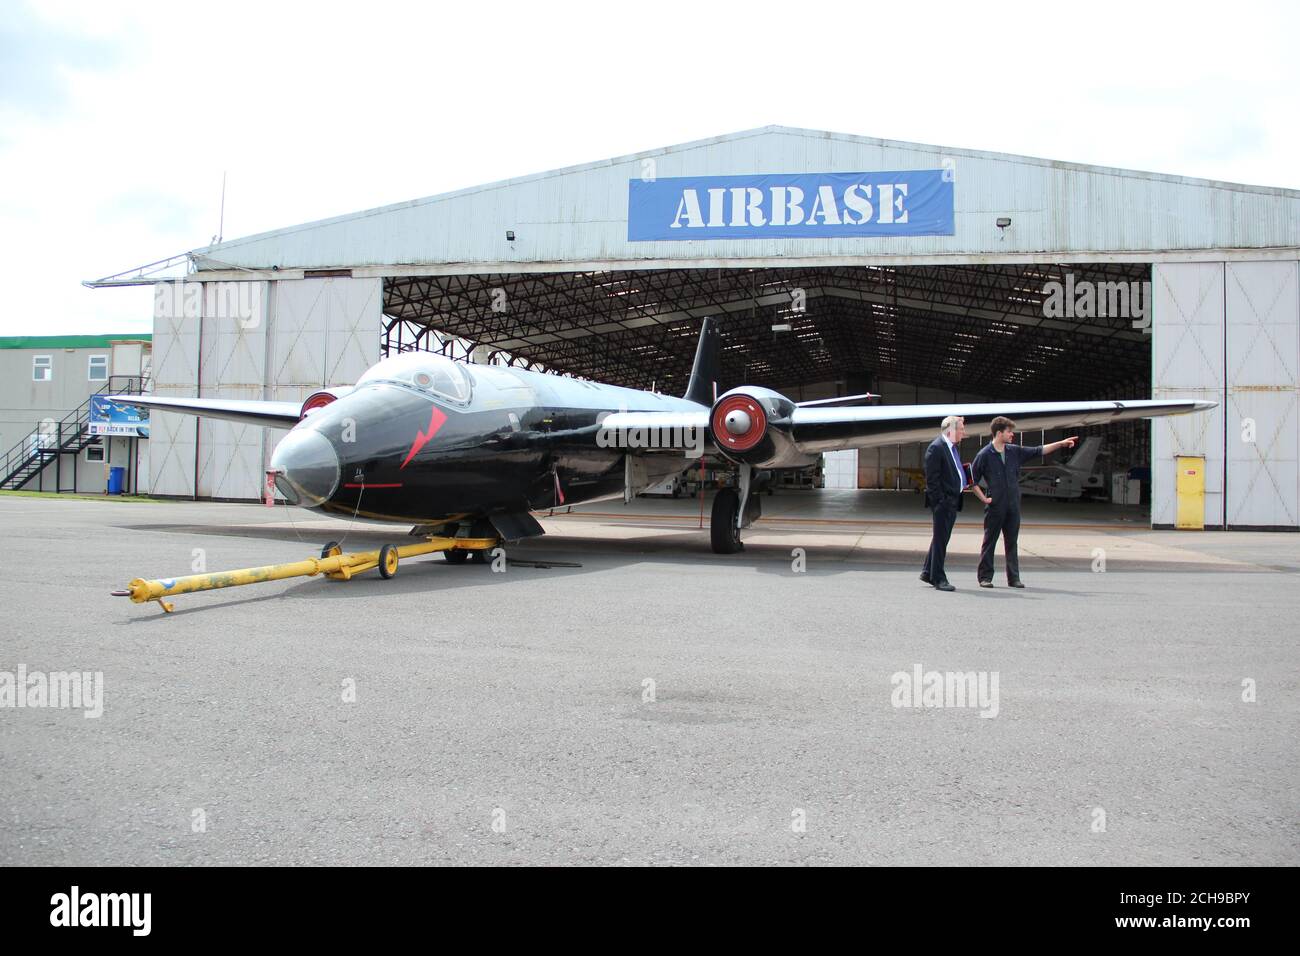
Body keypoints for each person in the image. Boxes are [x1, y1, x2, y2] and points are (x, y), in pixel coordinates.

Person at [970, 417, 1078, 588]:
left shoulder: (1014, 451)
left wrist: (1061, 443)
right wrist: (983, 498)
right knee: (989, 541)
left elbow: (1038, 450)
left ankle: (1014, 578)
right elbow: (971, 480)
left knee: (1012, 542)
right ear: (999, 433)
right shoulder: (984, 455)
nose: (1012, 434)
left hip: (1013, 505)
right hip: (995, 506)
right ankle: (985, 577)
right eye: (1009, 432)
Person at [920, 415, 972, 592]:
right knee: (942, 540)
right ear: (952, 430)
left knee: (940, 538)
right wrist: (941, 501)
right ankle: (938, 578)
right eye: (962, 429)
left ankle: (928, 572)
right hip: (944, 503)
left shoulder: (951, 448)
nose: (964, 432)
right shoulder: (937, 448)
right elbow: (932, 480)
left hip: (952, 501)